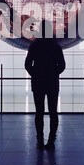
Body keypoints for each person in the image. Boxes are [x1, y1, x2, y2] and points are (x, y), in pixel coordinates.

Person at [25, 20, 66, 150]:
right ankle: (51, 140)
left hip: (38, 83)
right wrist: (53, 73)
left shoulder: (34, 45)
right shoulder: (55, 46)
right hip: (52, 82)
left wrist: (35, 74)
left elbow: (27, 65)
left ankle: (40, 140)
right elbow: (62, 66)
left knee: (39, 112)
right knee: (53, 112)